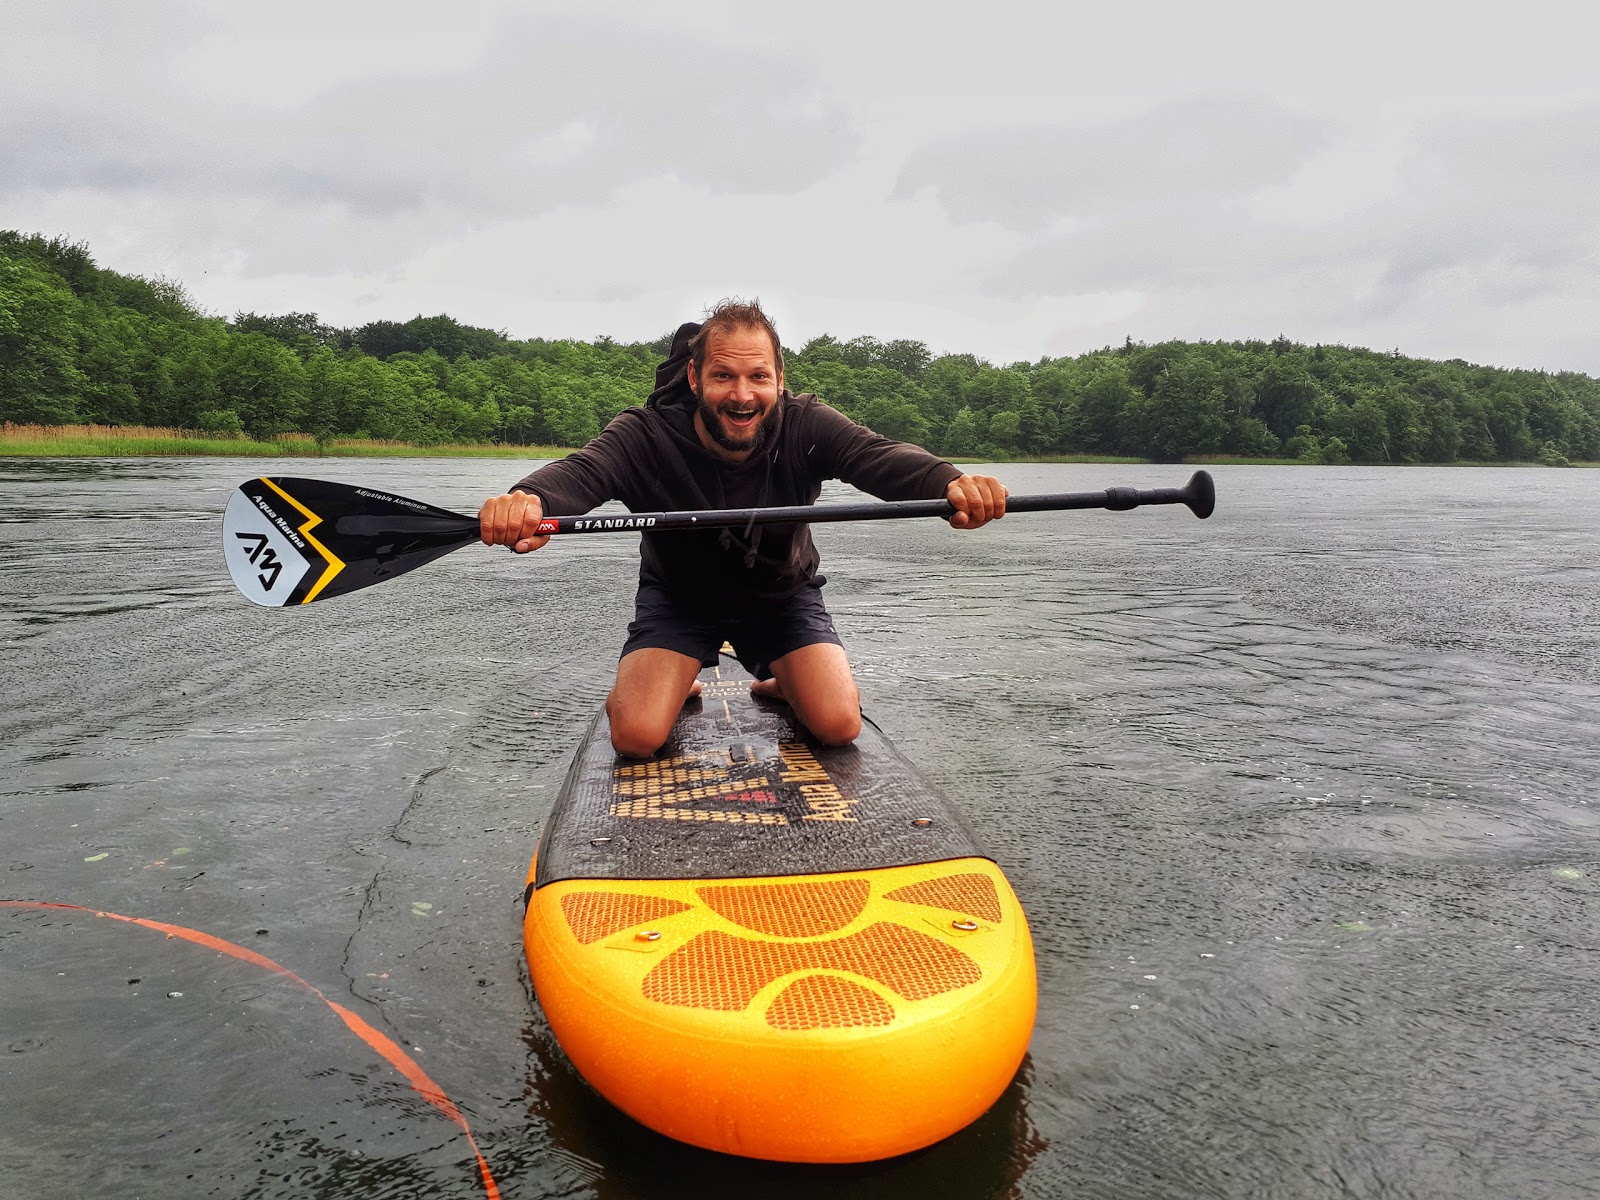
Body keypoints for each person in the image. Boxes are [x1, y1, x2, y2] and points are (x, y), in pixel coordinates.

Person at [479, 300, 1008, 758]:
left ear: (778, 377)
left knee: (838, 725)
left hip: (783, 596)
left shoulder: (806, 424)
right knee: (637, 737)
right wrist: (530, 500)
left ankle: (779, 680)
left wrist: (950, 482)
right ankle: (670, 680)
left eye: (758, 376)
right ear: (695, 379)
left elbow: (876, 456)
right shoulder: (645, 433)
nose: (742, 395)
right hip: (680, 600)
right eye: (723, 376)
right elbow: (582, 471)